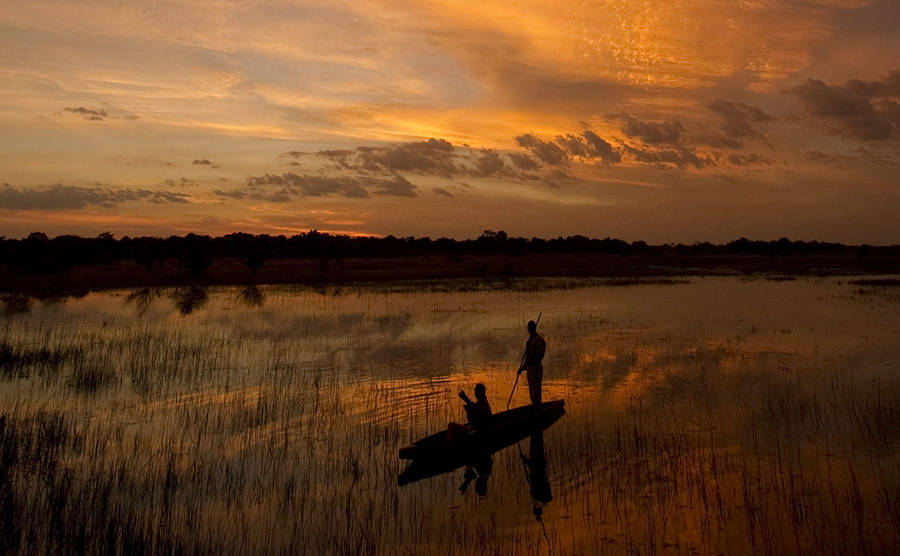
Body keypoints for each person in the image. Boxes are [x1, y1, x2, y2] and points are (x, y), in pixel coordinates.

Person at [517, 320, 546, 405]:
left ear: (532, 328)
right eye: (528, 328)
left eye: (530, 328)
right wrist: (522, 369)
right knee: (532, 391)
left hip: (535, 368)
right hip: (531, 369)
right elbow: (528, 359)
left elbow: (537, 357)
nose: (529, 330)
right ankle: (535, 406)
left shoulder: (538, 340)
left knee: (536, 390)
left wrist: (530, 346)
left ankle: (537, 407)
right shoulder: (531, 341)